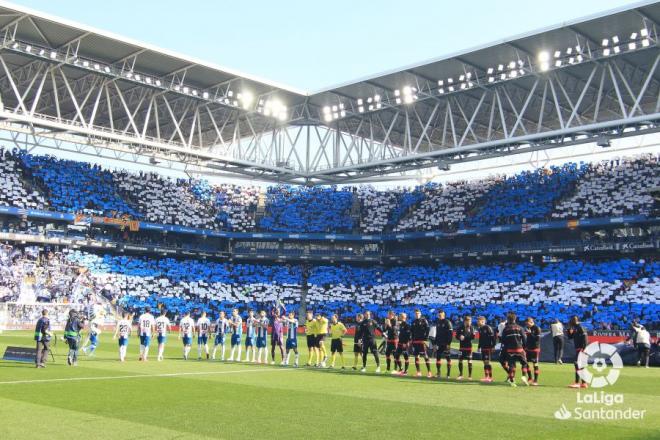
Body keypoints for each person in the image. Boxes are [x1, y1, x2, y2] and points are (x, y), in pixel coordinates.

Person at [501, 312, 529, 387]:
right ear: (515, 319)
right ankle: (523, 376)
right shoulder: (520, 328)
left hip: (510, 350)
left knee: (512, 366)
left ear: (508, 320)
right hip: (519, 349)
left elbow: (503, 340)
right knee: (524, 363)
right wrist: (524, 347)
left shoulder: (506, 329)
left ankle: (512, 381)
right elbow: (524, 338)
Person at [567, 315, 589, 388]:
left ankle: (577, 382)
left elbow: (585, 339)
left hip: (581, 349)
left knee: (577, 364)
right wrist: (569, 332)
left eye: (571, 321)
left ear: (574, 321)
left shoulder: (580, 327)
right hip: (578, 349)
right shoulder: (575, 328)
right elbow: (570, 337)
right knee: (580, 365)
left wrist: (583, 349)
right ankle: (584, 383)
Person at [411, 309, 432, 378]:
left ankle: (429, 372)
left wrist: (425, 339)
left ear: (420, 313)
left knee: (425, 356)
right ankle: (418, 372)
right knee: (416, 356)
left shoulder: (424, 320)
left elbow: (428, 329)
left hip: (422, 341)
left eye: (418, 313)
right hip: (415, 341)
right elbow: (412, 331)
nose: (417, 314)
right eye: (416, 313)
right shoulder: (413, 322)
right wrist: (412, 340)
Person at [433, 310, 453, 379]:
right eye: (439, 315)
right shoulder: (438, 323)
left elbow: (450, 334)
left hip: (446, 343)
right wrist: (435, 344)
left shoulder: (447, 322)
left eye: (441, 315)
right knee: (438, 356)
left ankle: (448, 374)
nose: (440, 316)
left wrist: (448, 343)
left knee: (448, 357)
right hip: (440, 343)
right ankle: (438, 373)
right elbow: (437, 334)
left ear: (444, 315)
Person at [455, 315, 476, 380]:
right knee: (460, 360)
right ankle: (461, 374)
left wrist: (468, 336)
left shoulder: (472, 328)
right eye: (468, 321)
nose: (469, 323)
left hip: (469, 347)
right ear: (465, 321)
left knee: (469, 361)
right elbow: (456, 336)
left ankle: (469, 376)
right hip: (462, 347)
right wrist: (459, 337)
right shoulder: (460, 327)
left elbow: (473, 337)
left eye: (470, 321)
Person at [477, 316, 496, 382]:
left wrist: (493, 346)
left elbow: (493, 337)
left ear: (483, 321)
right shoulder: (480, 329)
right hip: (483, 348)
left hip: (488, 347)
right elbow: (480, 339)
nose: (477, 322)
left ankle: (490, 377)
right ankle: (486, 377)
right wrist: (479, 347)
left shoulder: (488, 327)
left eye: (478, 321)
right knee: (484, 362)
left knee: (487, 362)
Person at [524, 317, 541, 386]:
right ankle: (530, 378)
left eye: (527, 323)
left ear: (531, 322)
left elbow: (537, 339)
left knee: (535, 364)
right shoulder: (527, 328)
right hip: (528, 349)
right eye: (526, 324)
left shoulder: (537, 328)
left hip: (535, 349)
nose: (527, 325)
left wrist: (530, 334)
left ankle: (535, 380)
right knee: (526, 363)